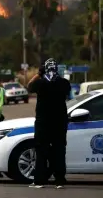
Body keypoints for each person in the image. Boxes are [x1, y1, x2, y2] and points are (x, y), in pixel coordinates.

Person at [27, 58, 71, 189]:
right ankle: (60, 180)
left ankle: (40, 180)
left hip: (43, 122)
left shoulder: (40, 83)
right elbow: (67, 94)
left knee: (41, 150)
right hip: (59, 122)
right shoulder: (64, 83)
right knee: (59, 150)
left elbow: (29, 86)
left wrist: (39, 74)